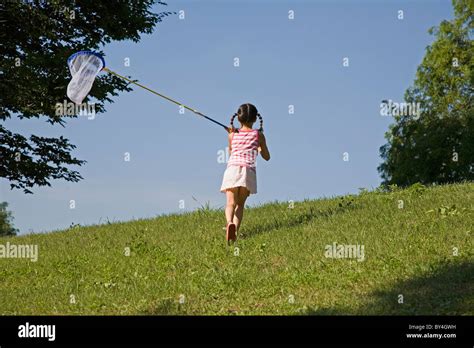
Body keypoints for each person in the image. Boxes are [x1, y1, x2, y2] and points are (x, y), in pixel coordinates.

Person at [220, 103, 270, 244]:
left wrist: (231, 134)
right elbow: (267, 156)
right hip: (248, 172)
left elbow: (231, 152)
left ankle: (229, 222)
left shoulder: (232, 135)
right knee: (240, 205)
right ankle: (235, 231)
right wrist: (259, 147)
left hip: (232, 170)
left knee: (230, 202)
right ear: (255, 119)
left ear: (238, 118)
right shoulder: (258, 135)